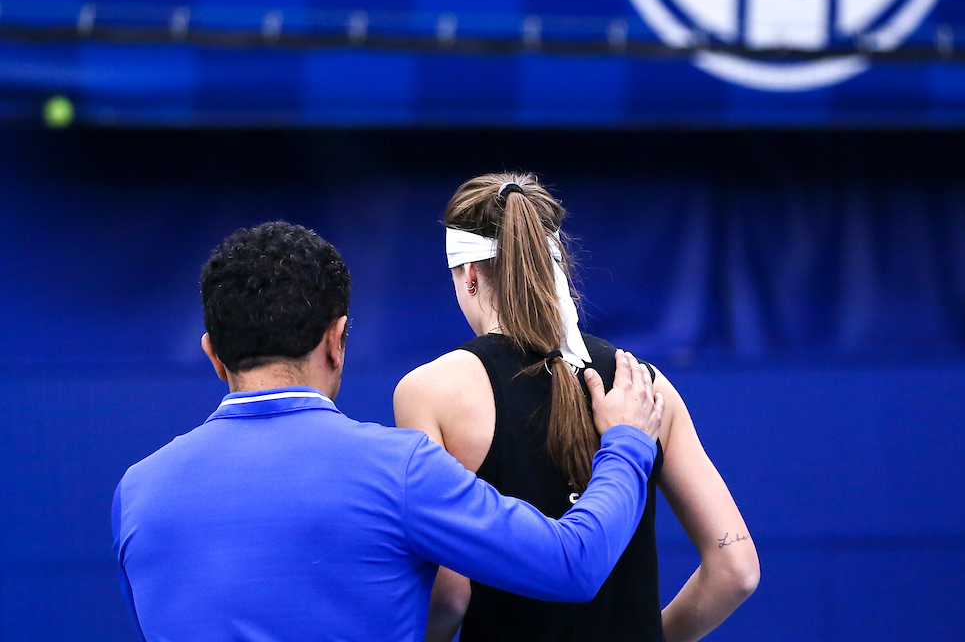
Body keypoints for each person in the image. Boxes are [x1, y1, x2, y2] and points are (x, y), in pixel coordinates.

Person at [112, 220, 664, 642]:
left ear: (212, 353)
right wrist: (627, 444)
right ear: (337, 337)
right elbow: (574, 564)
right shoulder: (400, 470)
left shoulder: (136, 492)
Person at [393, 174, 759, 642]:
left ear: (467, 275)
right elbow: (737, 569)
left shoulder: (431, 391)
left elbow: (449, 596)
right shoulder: (642, 385)